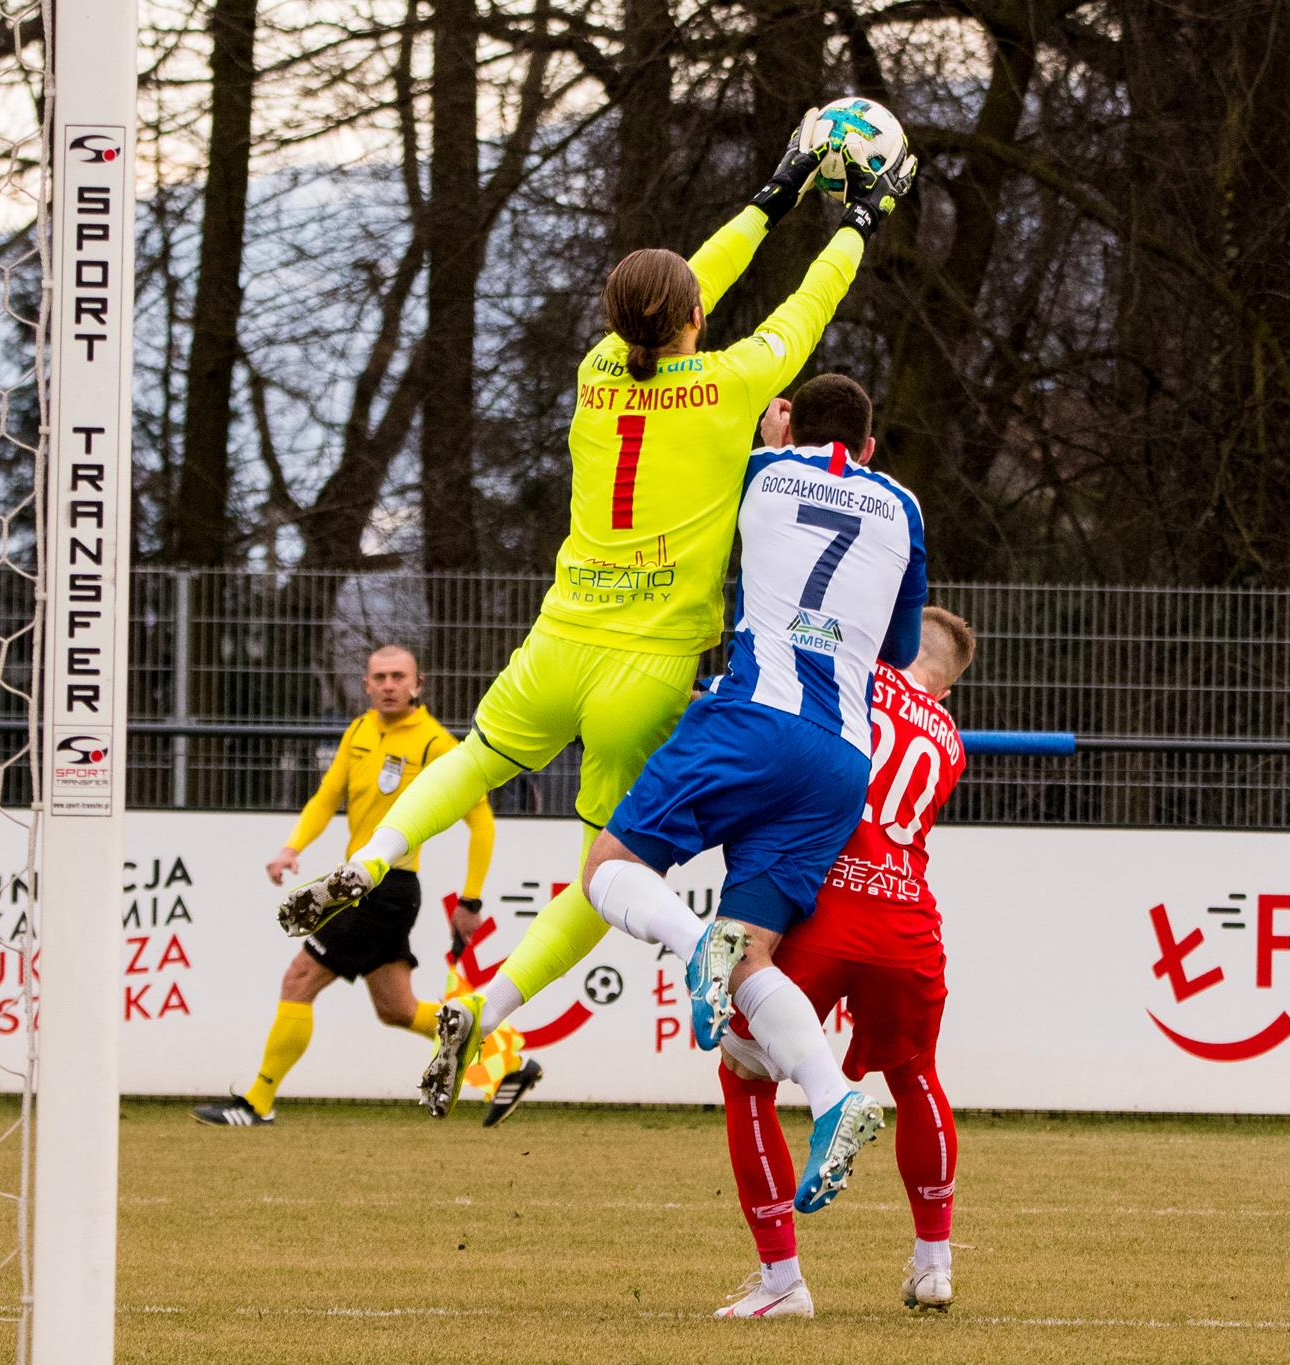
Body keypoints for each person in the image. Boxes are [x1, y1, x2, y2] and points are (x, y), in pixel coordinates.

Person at [278, 130, 919, 1102]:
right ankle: (485, 1005)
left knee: (472, 761)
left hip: (561, 637)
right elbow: (807, 306)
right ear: (696, 316)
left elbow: (678, 288)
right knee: (603, 871)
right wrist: (855, 222)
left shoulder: (596, 370)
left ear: (618, 321)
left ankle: (368, 859)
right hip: (647, 666)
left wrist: (771, 193)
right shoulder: (732, 384)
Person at [568, 370, 928, 1221]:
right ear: (870, 446)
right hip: (841, 758)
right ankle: (834, 1096)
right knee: (752, 956)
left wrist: (769, 445)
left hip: (755, 717)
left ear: (789, 426)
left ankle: (699, 945)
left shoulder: (762, 468)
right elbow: (901, 645)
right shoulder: (904, 506)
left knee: (608, 868)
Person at [713, 605, 975, 1320]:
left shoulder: (853, 679)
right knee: (916, 1074)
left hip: (823, 902)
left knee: (745, 1076)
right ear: (948, 687)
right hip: (907, 916)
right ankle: (935, 1266)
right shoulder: (949, 740)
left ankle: (781, 1279)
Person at [194, 645, 532, 1125]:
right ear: (366, 685)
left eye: (399, 676)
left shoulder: (436, 744)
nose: (389, 685)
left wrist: (471, 899)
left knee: (299, 979)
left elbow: (482, 823)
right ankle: (510, 1063)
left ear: (418, 684)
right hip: (359, 885)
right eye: (380, 677)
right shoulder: (358, 731)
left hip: (386, 889)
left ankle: (256, 1103)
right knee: (397, 1009)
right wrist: (291, 848)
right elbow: (326, 797)